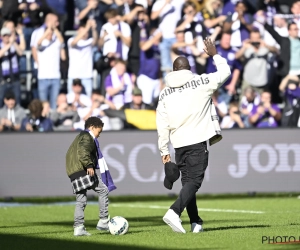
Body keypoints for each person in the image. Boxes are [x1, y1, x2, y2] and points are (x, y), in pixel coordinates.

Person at [156, 38, 231, 233]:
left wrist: (164, 150)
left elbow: (161, 124)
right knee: (195, 182)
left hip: (179, 144)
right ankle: (174, 211)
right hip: (197, 141)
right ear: (189, 69)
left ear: (173, 71)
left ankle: (195, 222)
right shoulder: (200, 82)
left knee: (188, 184)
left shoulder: (164, 93)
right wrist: (214, 54)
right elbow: (225, 72)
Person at [65, 116, 110, 236]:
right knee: (103, 190)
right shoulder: (86, 136)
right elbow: (83, 151)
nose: (99, 135)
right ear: (92, 127)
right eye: (99, 131)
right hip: (84, 170)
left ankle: (78, 227)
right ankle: (103, 221)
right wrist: (89, 165)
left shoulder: (78, 137)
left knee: (81, 200)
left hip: (74, 172)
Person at [67, 19, 98, 97]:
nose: (84, 34)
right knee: (72, 98)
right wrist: (87, 27)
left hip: (87, 75)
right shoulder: (71, 40)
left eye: (86, 32)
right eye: (82, 32)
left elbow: (95, 40)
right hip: (74, 75)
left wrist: (93, 29)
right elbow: (74, 43)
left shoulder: (89, 41)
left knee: (87, 99)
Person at [0, 27, 24, 107]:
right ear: (1, 37)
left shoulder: (14, 45)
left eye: (8, 35)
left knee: (17, 100)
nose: (7, 37)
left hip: (15, 78)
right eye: (5, 36)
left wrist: (14, 43)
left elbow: (20, 53)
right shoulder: (1, 46)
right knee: (1, 100)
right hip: (3, 80)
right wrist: (10, 44)